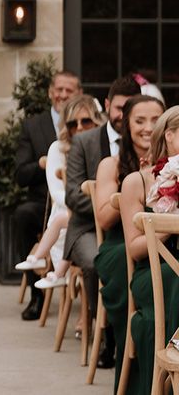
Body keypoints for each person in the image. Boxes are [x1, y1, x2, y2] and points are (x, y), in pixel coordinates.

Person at [64, 75, 141, 366]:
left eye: (129, 109)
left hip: (133, 228)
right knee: (97, 260)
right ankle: (106, 335)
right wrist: (113, 204)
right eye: (119, 108)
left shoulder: (145, 139)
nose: (123, 115)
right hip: (86, 227)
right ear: (107, 105)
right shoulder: (84, 141)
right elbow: (73, 194)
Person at [94, 94, 164, 386]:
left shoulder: (172, 162)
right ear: (126, 126)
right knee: (129, 271)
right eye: (139, 121)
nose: (148, 128)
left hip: (163, 246)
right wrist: (135, 185)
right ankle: (125, 346)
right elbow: (103, 219)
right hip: (120, 243)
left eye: (155, 121)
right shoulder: (113, 164)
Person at [15, 94, 104, 289]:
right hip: (71, 209)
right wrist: (87, 204)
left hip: (98, 213)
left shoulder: (105, 147)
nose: (79, 127)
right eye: (73, 123)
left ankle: (53, 270)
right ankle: (47, 266)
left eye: (86, 121)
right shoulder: (58, 149)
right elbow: (57, 194)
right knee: (67, 220)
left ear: (97, 121)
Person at [119, 105, 179, 395]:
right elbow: (134, 249)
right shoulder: (137, 181)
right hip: (151, 274)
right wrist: (170, 220)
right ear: (169, 136)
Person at [14, 70, 81, 320]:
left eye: (69, 90)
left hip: (73, 200)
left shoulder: (85, 122)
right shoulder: (32, 125)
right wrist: (42, 164)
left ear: (78, 94)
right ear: (50, 92)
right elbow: (20, 174)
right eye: (59, 89)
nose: (62, 95)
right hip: (41, 200)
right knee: (22, 216)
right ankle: (36, 294)